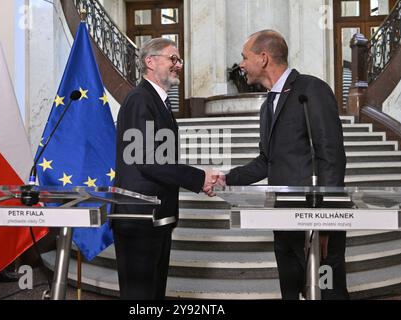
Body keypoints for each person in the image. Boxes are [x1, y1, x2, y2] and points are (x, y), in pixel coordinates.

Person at [216, 30, 348, 300]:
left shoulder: (312, 89)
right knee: (291, 291)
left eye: (245, 57)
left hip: (315, 218)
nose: (241, 64)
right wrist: (225, 179)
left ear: (263, 58)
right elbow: (266, 162)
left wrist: (327, 219)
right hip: (284, 218)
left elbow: (331, 156)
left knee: (328, 293)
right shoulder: (268, 104)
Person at [112, 37, 217, 299]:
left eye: (179, 59)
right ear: (150, 61)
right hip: (138, 217)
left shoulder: (159, 100)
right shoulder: (139, 99)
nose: (178, 64)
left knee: (154, 294)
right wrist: (198, 177)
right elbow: (147, 159)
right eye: (173, 58)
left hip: (156, 215)